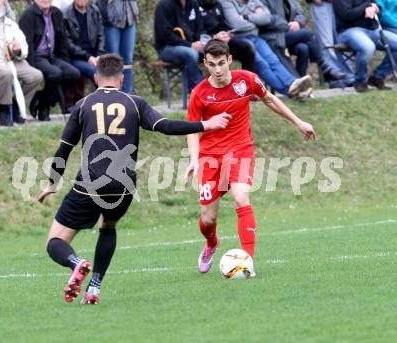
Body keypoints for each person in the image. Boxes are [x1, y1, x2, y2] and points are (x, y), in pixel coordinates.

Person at [37, 53, 231, 305]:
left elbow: (64, 149)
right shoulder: (135, 103)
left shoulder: (83, 105)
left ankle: (76, 263)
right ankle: (94, 287)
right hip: (123, 185)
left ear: (96, 78)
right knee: (108, 227)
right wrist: (206, 124)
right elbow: (165, 126)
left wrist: (52, 182)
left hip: (90, 183)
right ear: (121, 78)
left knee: (55, 241)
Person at [184, 39, 315, 275]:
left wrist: (298, 122)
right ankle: (212, 243)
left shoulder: (247, 80)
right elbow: (193, 129)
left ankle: (248, 262)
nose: (217, 70)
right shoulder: (200, 94)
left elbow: (270, 100)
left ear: (230, 61)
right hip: (210, 157)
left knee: (241, 197)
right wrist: (194, 159)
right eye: (212, 64)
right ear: (205, 63)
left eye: (221, 63)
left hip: (240, 150)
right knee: (208, 219)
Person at [219, 0, 313, 99]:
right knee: (262, 64)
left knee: (273, 60)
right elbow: (236, 24)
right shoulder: (226, 2)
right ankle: (289, 91)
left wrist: (246, 17)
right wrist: (256, 20)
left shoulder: (253, 1)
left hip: (255, 37)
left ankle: (292, 83)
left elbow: (267, 18)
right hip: (238, 39)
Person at [19, 0, 81, 120]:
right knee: (55, 73)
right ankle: (44, 107)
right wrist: (31, 67)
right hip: (36, 57)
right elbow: (28, 45)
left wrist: (65, 63)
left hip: (52, 56)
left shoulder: (57, 13)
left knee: (73, 73)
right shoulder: (28, 15)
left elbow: (62, 41)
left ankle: (41, 99)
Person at [259, 0, 346, 81]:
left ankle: (300, 83)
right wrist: (287, 26)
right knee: (306, 34)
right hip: (273, 36)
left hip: (289, 36)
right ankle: (324, 66)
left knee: (303, 48)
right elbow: (268, 19)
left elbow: (300, 13)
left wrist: (297, 22)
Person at [334, 0, 397, 92]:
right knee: (367, 47)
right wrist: (367, 6)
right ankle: (360, 81)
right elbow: (347, 15)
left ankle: (377, 77)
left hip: (372, 30)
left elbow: (377, 10)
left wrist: (376, 9)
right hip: (350, 31)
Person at [154, 0, 205, 93]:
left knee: (216, 50)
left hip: (193, 45)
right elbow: (165, 35)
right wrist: (190, 45)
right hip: (167, 47)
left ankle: (218, 90)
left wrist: (200, 42)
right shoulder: (164, 6)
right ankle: (198, 93)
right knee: (191, 54)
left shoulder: (194, 3)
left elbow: (200, 27)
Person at [305, 0, 355, 88]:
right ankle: (335, 77)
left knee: (338, 42)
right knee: (326, 42)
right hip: (321, 4)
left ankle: (348, 76)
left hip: (335, 4)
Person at [197, 0, 256, 72]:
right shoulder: (195, 5)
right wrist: (214, 37)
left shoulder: (217, 4)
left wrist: (227, 34)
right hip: (204, 44)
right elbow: (197, 32)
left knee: (247, 47)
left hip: (222, 41)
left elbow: (223, 26)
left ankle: (247, 80)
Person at [97, 0, 137, 93]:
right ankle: (112, 93)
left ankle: (127, 94)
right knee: (112, 59)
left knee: (128, 60)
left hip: (130, 18)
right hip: (111, 19)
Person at [63, 0, 105, 83]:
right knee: (94, 71)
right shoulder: (66, 15)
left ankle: (113, 95)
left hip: (95, 55)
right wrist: (88, 57)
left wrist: (99, 55)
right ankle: (104, 96)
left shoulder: (94, 10)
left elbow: (101, 35)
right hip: (76, 57)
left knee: (112, 69)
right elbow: (68, 43)